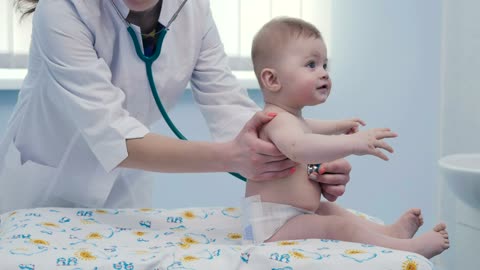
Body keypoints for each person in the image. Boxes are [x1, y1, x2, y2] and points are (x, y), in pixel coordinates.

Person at [0, 0, 352, 214]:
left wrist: (308, 161)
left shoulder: (192, 10)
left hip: (123, 187)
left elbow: (228, 106)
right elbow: (112, 135)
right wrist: (232, 156)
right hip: (43, 181)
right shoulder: (63, 10)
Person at [242, 17, 449, 259]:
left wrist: (338, 126)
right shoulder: (275, 120)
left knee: (330, 210)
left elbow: (309, 128)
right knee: (337, 227)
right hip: (273, 226)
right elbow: (299, 147)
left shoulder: (292, 119)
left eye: (324, 65)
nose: (323, 74)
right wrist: (353, 143)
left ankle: (390, 232)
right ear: (272, 80)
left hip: (291, 215)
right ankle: (409, 249)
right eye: (311, 65)